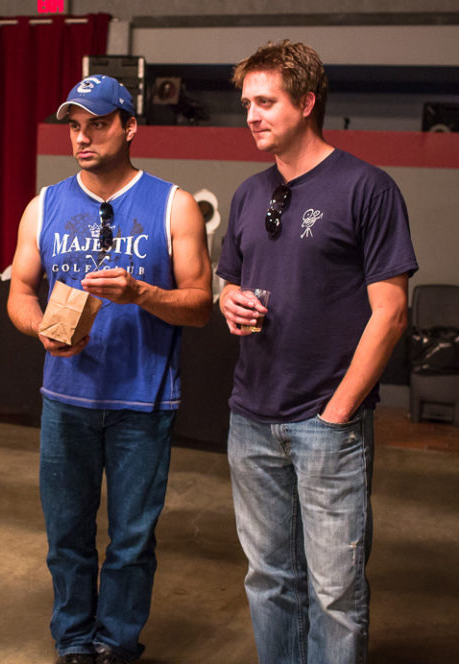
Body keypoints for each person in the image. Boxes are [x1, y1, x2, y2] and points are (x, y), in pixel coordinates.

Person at [216, 41, 418, 664]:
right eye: (247, 102)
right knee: (270, 581)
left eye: (266, 101)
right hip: (251, 417)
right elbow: (228, 279)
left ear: (306, 103)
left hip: (326, 423)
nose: (251, 114)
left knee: (335, 592)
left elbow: (391, 312)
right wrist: (229, 300)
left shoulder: (367, 188)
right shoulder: (250, 192)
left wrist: (338, 413)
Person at [7, 74, 212, 664]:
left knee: (131, 542)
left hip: (143, 404)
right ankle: (73, 643)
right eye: (74, 126)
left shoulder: (173, 204)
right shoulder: (43, 205)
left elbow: (201, 304)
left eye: (97, 123)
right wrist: (39, 326)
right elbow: (20, 292)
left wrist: (142, 294)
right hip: (65, 400)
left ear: (129, 127)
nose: (83, 137)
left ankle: (116, 645)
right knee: (67, 539)